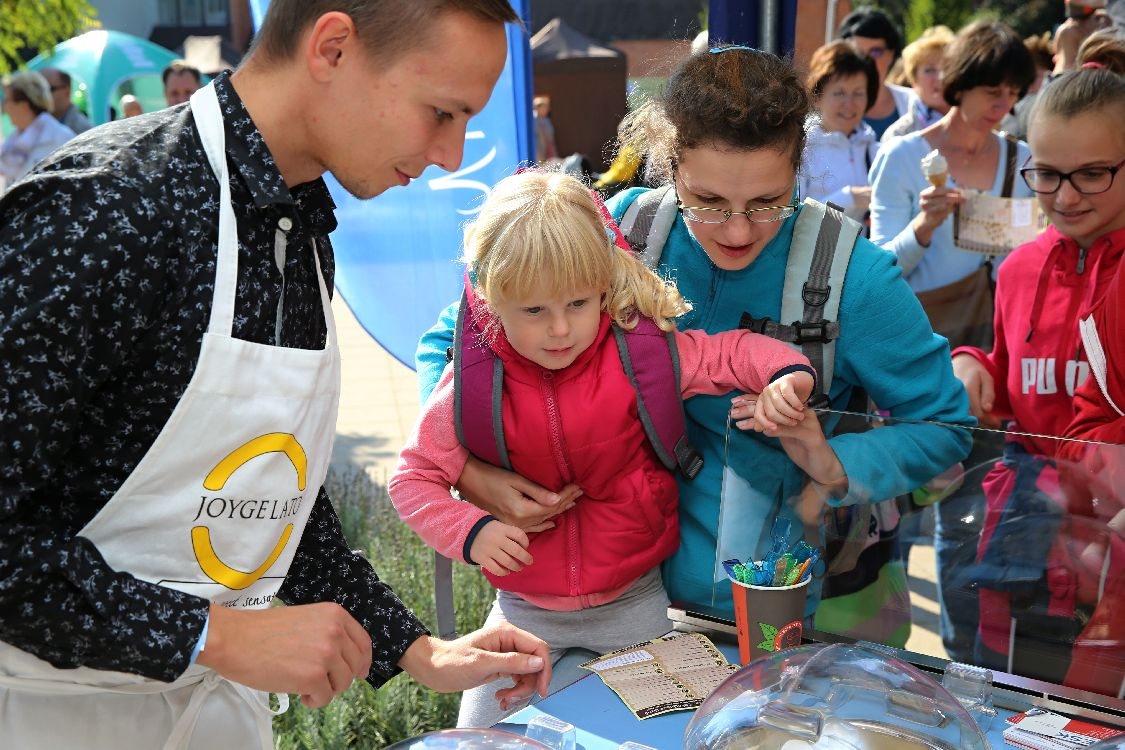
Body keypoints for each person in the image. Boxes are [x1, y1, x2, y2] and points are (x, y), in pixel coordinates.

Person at [0, 3, 554, 748]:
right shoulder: (104, 209)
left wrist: (415, 649)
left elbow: (265, 497)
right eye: (440, 113)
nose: (452, 156)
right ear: (331, 48)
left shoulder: (299, 227)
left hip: (213, 718)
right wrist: (214, 637)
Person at [416, 46, 973, 650]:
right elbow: (459, 334)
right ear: (668, 165)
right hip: (634, 600)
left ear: (798, 169)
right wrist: (471, 470)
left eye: (768, 203)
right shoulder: (622, 232)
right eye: (707, 202)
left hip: (806, 608)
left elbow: (945, 426)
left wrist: (829, 461)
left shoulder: (855, 277)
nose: (737, 230)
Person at [391, 169, 822, 726]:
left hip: (635, 603)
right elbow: (411, 478)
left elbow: (729, 354)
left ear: (603, 285)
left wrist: (790, 375)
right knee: (479, 737)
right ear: (492, 300)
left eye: (577, 303)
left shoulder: (644, 355)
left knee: (680, 732)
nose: (560, 330)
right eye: (534, 311)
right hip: (522, 615)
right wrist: (471, 533)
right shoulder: (475, 382)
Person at [966, 55, 1125, 696]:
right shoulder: (1020, 269)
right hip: (1026, 526)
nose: (1065, 196)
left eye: (1092, 174)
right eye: (1047, 174)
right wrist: (970, 367)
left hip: (1111, 532)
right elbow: (1007, 376)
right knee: (1008, 690)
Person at [870, 19, 1035, 352]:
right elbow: (878, 272)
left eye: (1014, 93)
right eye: (993, 92)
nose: (1004, 105)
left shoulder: (1025, 160)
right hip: (920, 341)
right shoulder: (902, 156)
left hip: (1002, 341)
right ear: (960, 84)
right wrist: (924, 226)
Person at [800, 40, 880, 227]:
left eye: (858, 93)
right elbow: (792, 218)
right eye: (839, 93)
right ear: (818, 96)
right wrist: (848, 198)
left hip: (864, 254)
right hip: (818, 254)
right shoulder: (800, 147)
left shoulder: (876, 150)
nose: (849, 104)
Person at [836, 8, 916, 140]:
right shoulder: (826, 108)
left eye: (876, 52)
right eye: (858, 52)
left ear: (891, 54)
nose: (867, 61)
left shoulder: (914, 104)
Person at [0, 71, 76, 189]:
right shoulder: (13, 140)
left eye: (7, 100)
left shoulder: (62, 138)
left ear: (24, 105)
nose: (4, 106)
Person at [882, 25, 955, 143]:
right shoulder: (899, 136)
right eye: (929, 70)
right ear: (914, 79)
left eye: (946, 68)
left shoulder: (977, 125)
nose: (940, 77)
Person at [40, 67, 93, 134]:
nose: (41, 96)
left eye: (48, 89)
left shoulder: (83, 131)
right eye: (38, 90)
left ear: (67, 90)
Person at [533, 94, 558, 162]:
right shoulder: (533, 121)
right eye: (544, 107)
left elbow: (550, 138)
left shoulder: (547, 121)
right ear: (537, 107)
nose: (547, 109)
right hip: (538, 153)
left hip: (547, 152)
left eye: (547, 107)